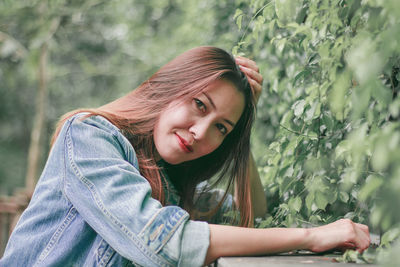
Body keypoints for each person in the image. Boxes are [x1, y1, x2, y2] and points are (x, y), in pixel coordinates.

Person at [0, 46, 370, 267]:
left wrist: (242, 129)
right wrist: (310, 236)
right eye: (199, 104)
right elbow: (160, 242)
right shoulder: (88, 135)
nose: (200, 132)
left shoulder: (172, 181)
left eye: (220, 128)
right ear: (170, 87)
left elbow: (253, 214)